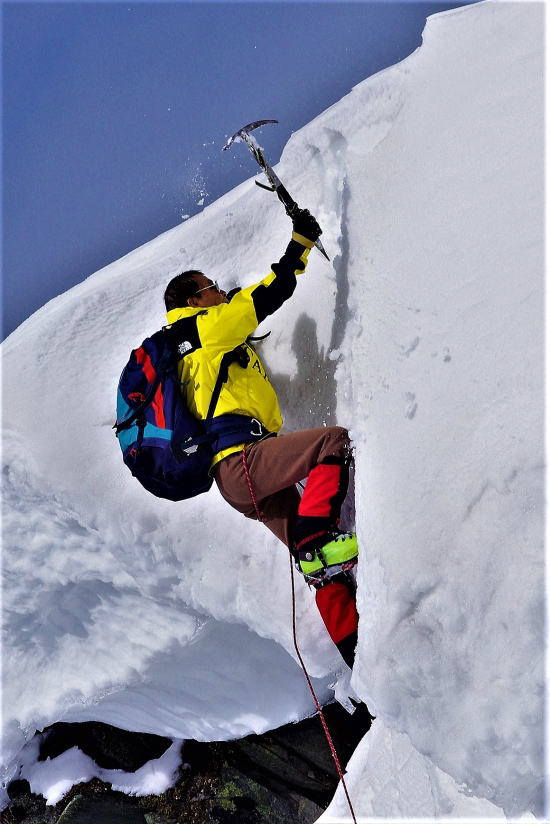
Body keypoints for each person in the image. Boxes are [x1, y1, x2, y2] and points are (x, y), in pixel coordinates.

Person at [163, 208, 359, 668]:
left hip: (235, 480)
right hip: (244, 462)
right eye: (211, 287)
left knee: (317, 566)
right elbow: (267, 295)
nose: (218, 291)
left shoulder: (188, 345)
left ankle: (357, 656)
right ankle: (318, 537)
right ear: (194, 300)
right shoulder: (203, 328)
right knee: (332, 442)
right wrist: (299, 245)